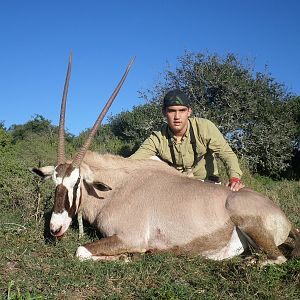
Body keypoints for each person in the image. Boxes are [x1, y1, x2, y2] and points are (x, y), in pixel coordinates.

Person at [130, 89, 245, 191]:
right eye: (171, 111)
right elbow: (132, 162)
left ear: (189, 111)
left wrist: (234, 178)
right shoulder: (157, 137)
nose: (177, 117)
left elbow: (227, 154)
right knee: (151, 160)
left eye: (182, 110)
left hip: (205, 183)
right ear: (164, 112)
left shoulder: (205, 127)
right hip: (176, 184)